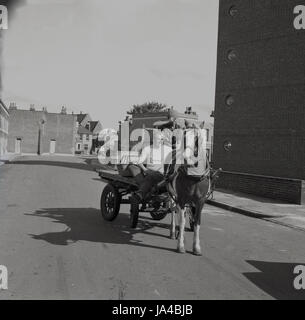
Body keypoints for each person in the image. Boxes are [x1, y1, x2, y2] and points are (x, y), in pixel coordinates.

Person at [131, 129, 172, 203]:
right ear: (153, 139)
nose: (158, 141)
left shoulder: (168, 149)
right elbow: (140, 162)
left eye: (160, 139)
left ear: (163, 140)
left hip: (164, 174)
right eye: (156, 139)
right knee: (151, 176)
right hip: (151, 172)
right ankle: (140, 194)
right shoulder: (147, 149)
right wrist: (145, 170)